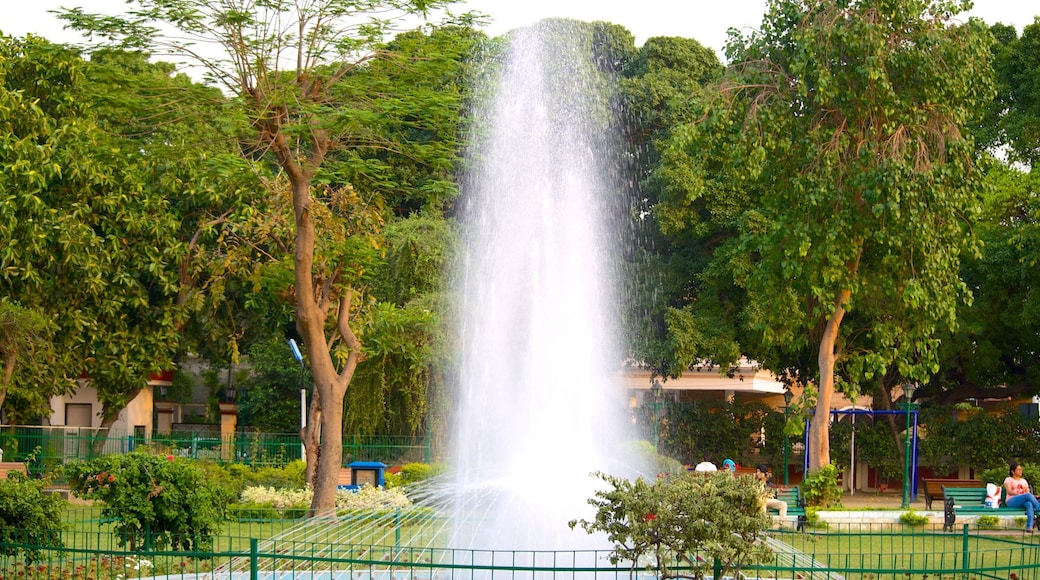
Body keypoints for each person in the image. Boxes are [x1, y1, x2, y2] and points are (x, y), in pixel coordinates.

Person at [1003, 461, 1040, 532]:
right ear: (1013, 471)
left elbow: (1027, 493)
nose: (1020, 471)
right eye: (1018, 470)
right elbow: (1009, 492)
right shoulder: (1008, 479)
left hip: (1023, 500)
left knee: (1029, 504)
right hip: (1011, 501)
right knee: (1027, 496)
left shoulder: (1024, 481)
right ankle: (1039, 507)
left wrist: (1034, 496)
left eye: (1021, 469)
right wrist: (1022, 495)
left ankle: (1029, 527)